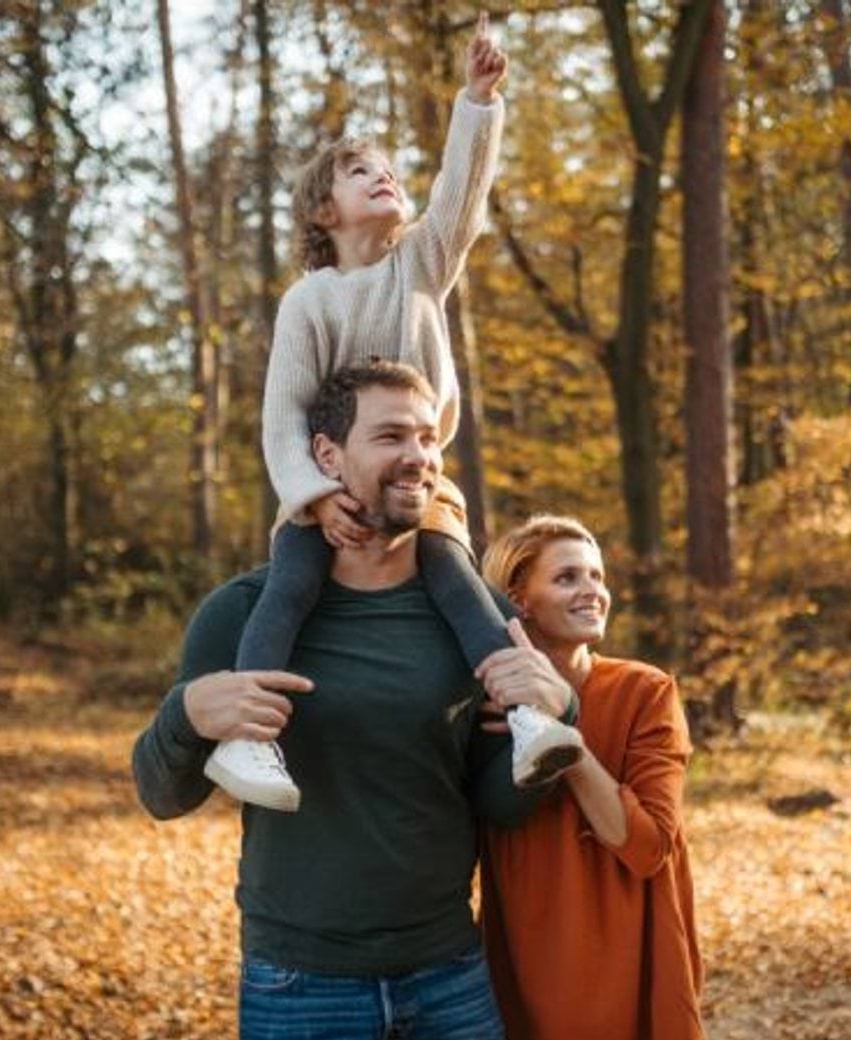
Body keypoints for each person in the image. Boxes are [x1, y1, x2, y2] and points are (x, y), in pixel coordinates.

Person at [132, 361, 578, 1039]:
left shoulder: (477, 616)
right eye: (392, 436)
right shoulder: (242, 614)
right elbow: (162, 795)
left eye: (429, 439)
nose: (419, 458)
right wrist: (188, 715)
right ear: (326, 455)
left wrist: (558, 712)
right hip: (300, 985)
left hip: (449, 975)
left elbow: (497, 802)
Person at [205, 11, 581, 814]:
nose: (382, 177)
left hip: (421, 486)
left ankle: (525, 721)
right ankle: (249, 738)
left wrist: (478, 102)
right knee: (290, 586)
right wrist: (314, 496)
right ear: (322, 214)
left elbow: (463, 196)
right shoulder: (310, 300)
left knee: (459, 584)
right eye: (358, 173)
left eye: (387, 169)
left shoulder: (421, 261)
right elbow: (282, 415)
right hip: (330, 485)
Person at [478, 516, 705, 1040]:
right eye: (568, 578)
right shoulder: (481, 704)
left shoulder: (645, 692)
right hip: (522, 957)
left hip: (630, 958)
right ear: (519, 598)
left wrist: (565, 738)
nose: (593, 592)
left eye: (597, 576)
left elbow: (648, 847)